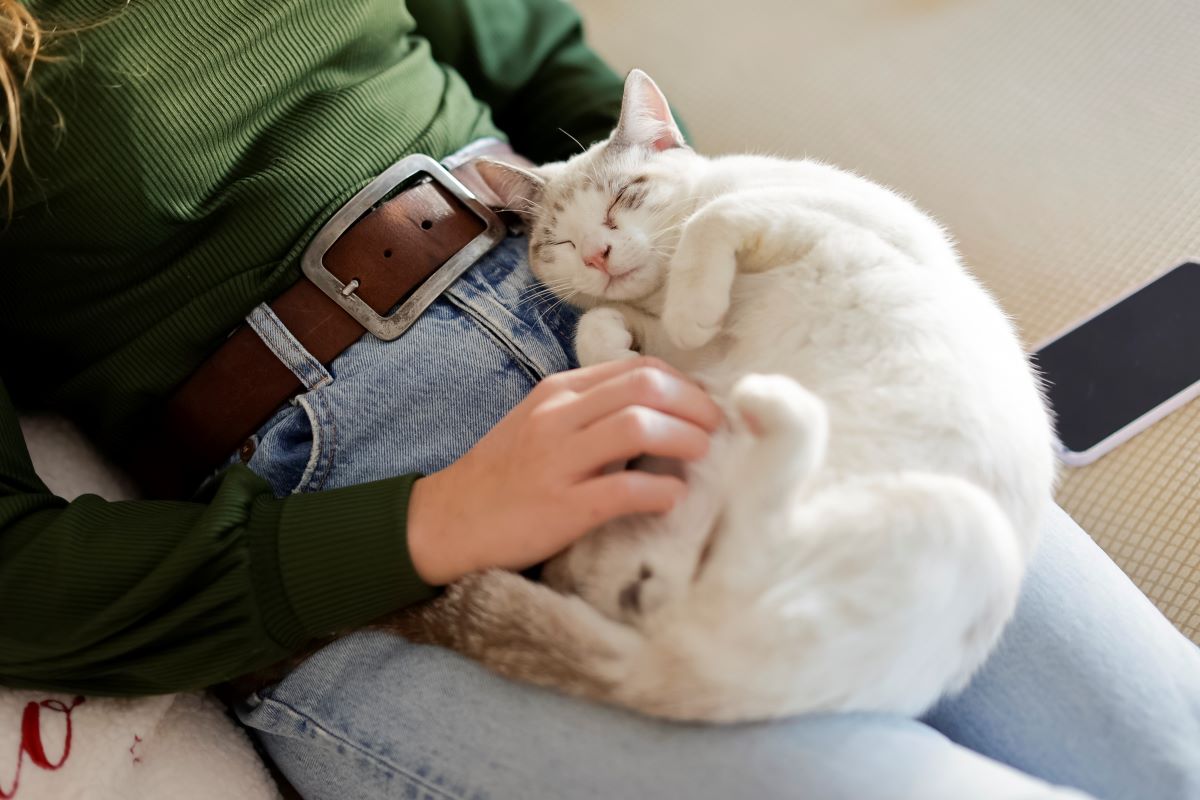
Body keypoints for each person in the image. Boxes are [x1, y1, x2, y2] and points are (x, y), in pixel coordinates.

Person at [0, 1, 1196, 798]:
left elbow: (548, 72)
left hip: (689, 319)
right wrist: (434, 522)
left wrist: (707, 226)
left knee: (1173, 749)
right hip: (363, 506)